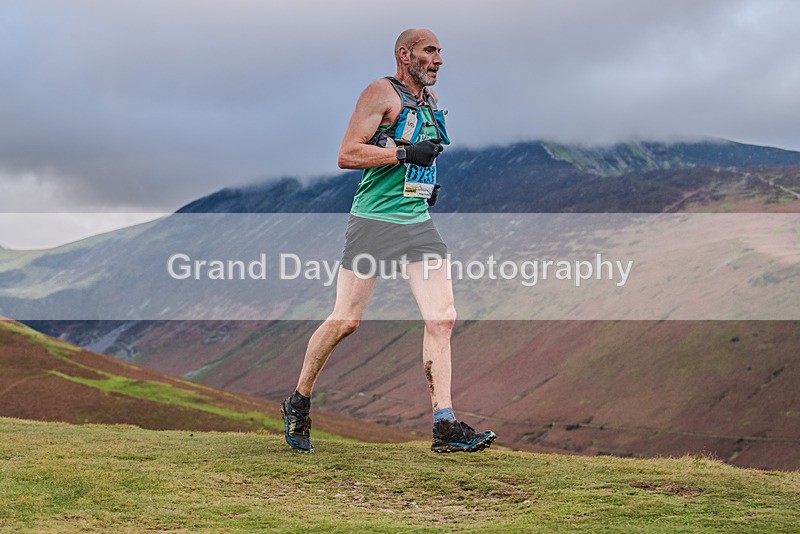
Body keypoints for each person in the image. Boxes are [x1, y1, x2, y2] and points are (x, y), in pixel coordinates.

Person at [281, 28, 495, 454]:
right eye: (429, 51)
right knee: (346, 321)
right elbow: (347, 154)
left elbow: (419, 156)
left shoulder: (430, 101)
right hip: (373, 221)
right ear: (405, 54)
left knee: (442, 318)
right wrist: (403, 155)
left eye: (440, 52)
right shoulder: (380, 92)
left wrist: (424, 184)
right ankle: (298, 402)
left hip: (416, 221)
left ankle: (444, 426)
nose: (438, 59)